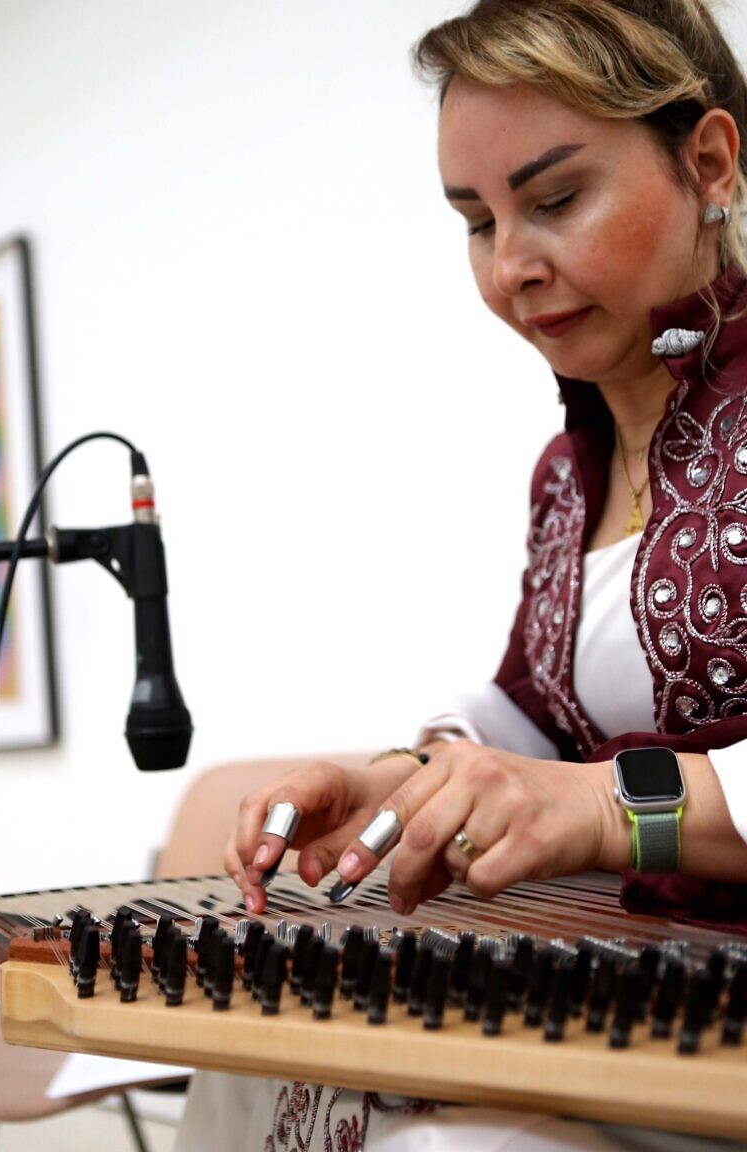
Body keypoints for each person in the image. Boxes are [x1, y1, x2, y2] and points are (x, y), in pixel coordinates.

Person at [174, 2, 747, 1148]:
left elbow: (577, 782)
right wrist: (394, 782)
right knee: (256, 1049)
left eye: (554, 198)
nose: (511, 268)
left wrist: (604, 805)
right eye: (477, 222)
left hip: (711, 1047)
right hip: (624, 981)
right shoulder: (566, 475)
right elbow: (536, 718)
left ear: (710, 163)